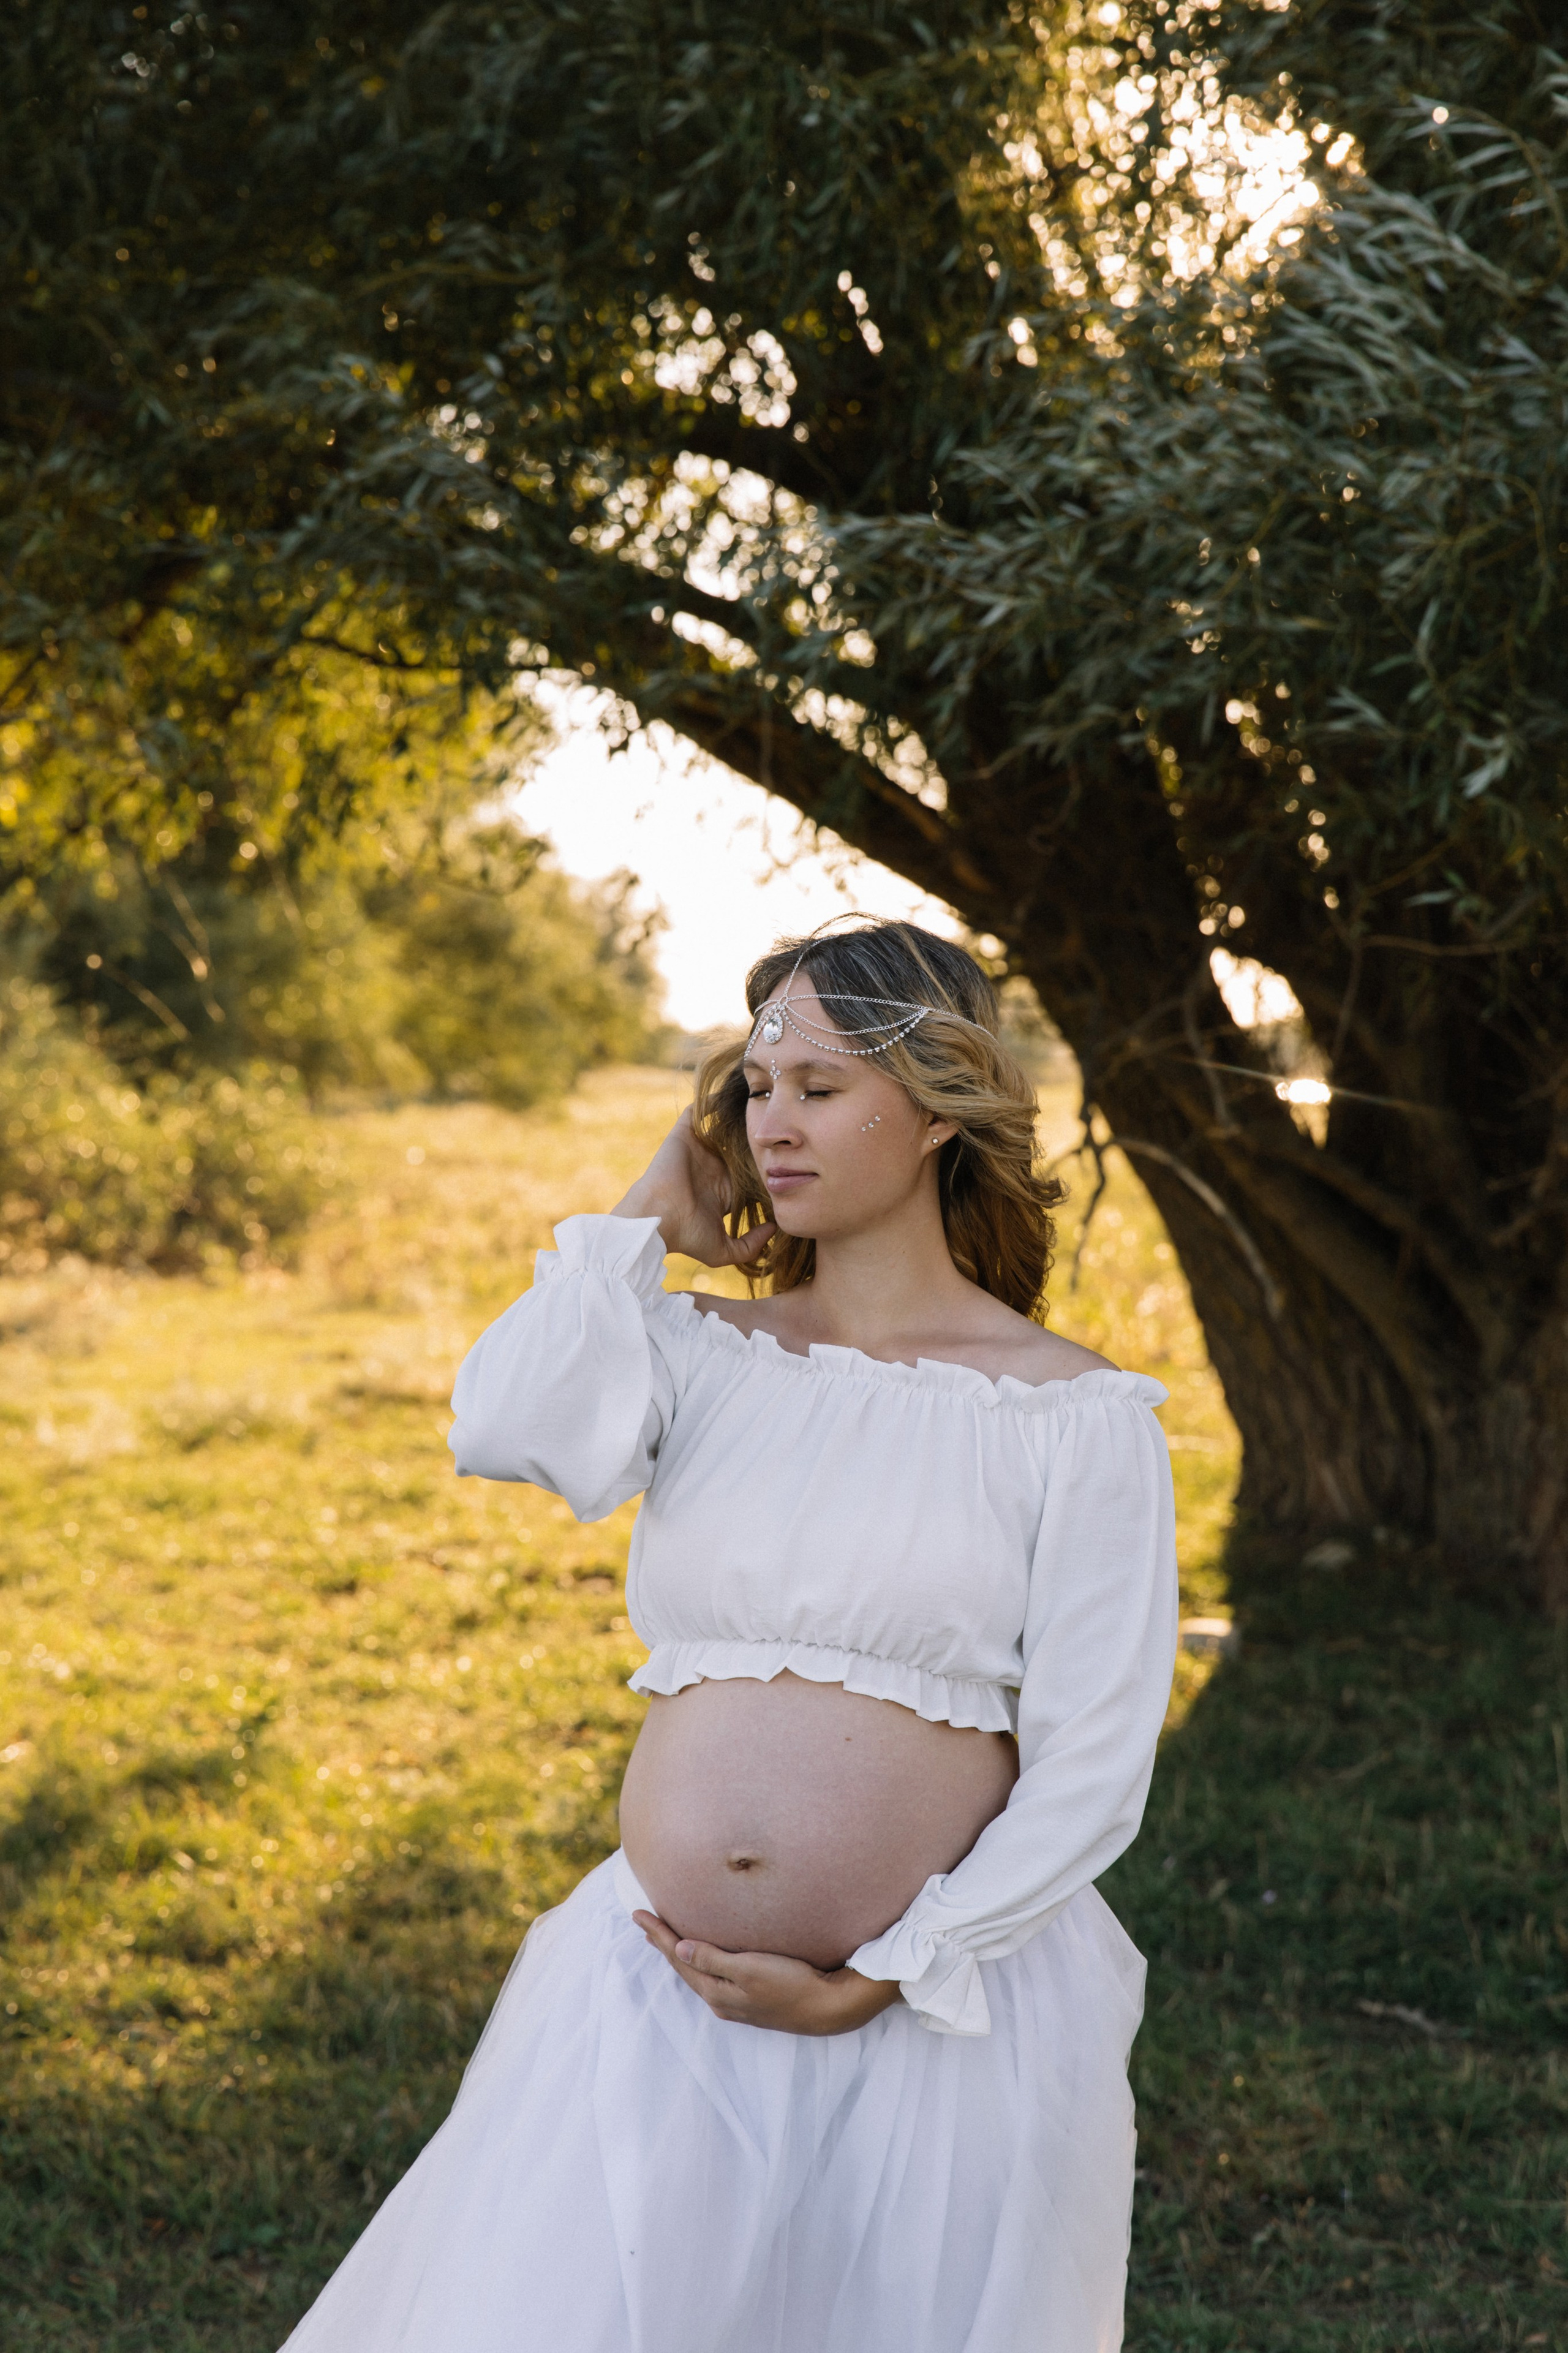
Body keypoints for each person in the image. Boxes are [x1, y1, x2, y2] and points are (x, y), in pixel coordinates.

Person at [280, 919, 1178, 2353]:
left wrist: (883, 1973)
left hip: (937, 2015)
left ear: (937, 1104)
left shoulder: (1070, 1417)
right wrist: (648, 1214)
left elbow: (1093, 1764)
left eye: (819, 1087)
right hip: (652, 1992)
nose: (774, 1125)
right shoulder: (703, 1357)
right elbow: (503, 1426)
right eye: (756, 1088)